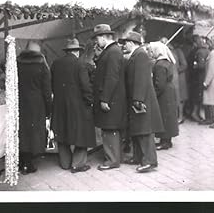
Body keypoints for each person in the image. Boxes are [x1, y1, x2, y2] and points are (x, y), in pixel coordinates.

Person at [51, 38, 96, 173]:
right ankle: (78, 164)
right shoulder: (80, 64)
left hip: (60, 105)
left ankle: (65, 163)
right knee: (81, 133)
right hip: (78, 106)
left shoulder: (55, 64)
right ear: (77, 52)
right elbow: (85, 86)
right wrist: (89, 100)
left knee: (62, 133)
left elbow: (52, 84)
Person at [122, 32, 164, 172]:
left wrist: (138, 99)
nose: (124, 45)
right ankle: (138, 157)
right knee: (138, 129)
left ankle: (150, 161)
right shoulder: (137, 54)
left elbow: (141, 78)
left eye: (126, 42)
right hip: (139, 98)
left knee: (145, 131)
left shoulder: (140, 55)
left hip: (141, 99)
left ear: (132, 43)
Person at [92, 24, 127, 170]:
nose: (96, 42)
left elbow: (111, 77)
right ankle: (116, 157)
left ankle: (112, 160)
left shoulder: (112, 52)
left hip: (111, 98)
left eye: (97, 38)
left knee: (109, 128)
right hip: (114, 97)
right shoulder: (113, 51)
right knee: (111, 128)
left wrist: (105, 98)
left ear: (104, 37)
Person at [17, 41, 52, 174]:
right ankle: (29, 163)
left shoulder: (17, 63)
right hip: (37, 103)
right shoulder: (42, 65)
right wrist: (49, 108)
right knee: (33, 133)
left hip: (21, 101)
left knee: (22, 132)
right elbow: (47, 89)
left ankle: (23, 162)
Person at [149, 41, 179, 150]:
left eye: (152, 50)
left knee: (164, 116)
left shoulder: (159, 65)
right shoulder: (167, 62)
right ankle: (167, 140)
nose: (151, 52)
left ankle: (164, 142)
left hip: (164, 94)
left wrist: (153, 95)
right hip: (169, 91)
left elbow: (159, 84)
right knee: (168, 116)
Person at [190, 36, 211, 123]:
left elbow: (201, 65)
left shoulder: (200, 52)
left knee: (198, 96)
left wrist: (195, 66)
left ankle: (195, 113)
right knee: (200, 96)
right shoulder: (207, 51)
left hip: (200, 77)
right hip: (203, 77)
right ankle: (197, 114)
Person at [174, 41, 189, 124]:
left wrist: (176, 70)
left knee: (180, 99)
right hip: (173, 78)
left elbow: (184, 64)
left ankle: (180, 116)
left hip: (179, 78)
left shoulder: (178, 51)